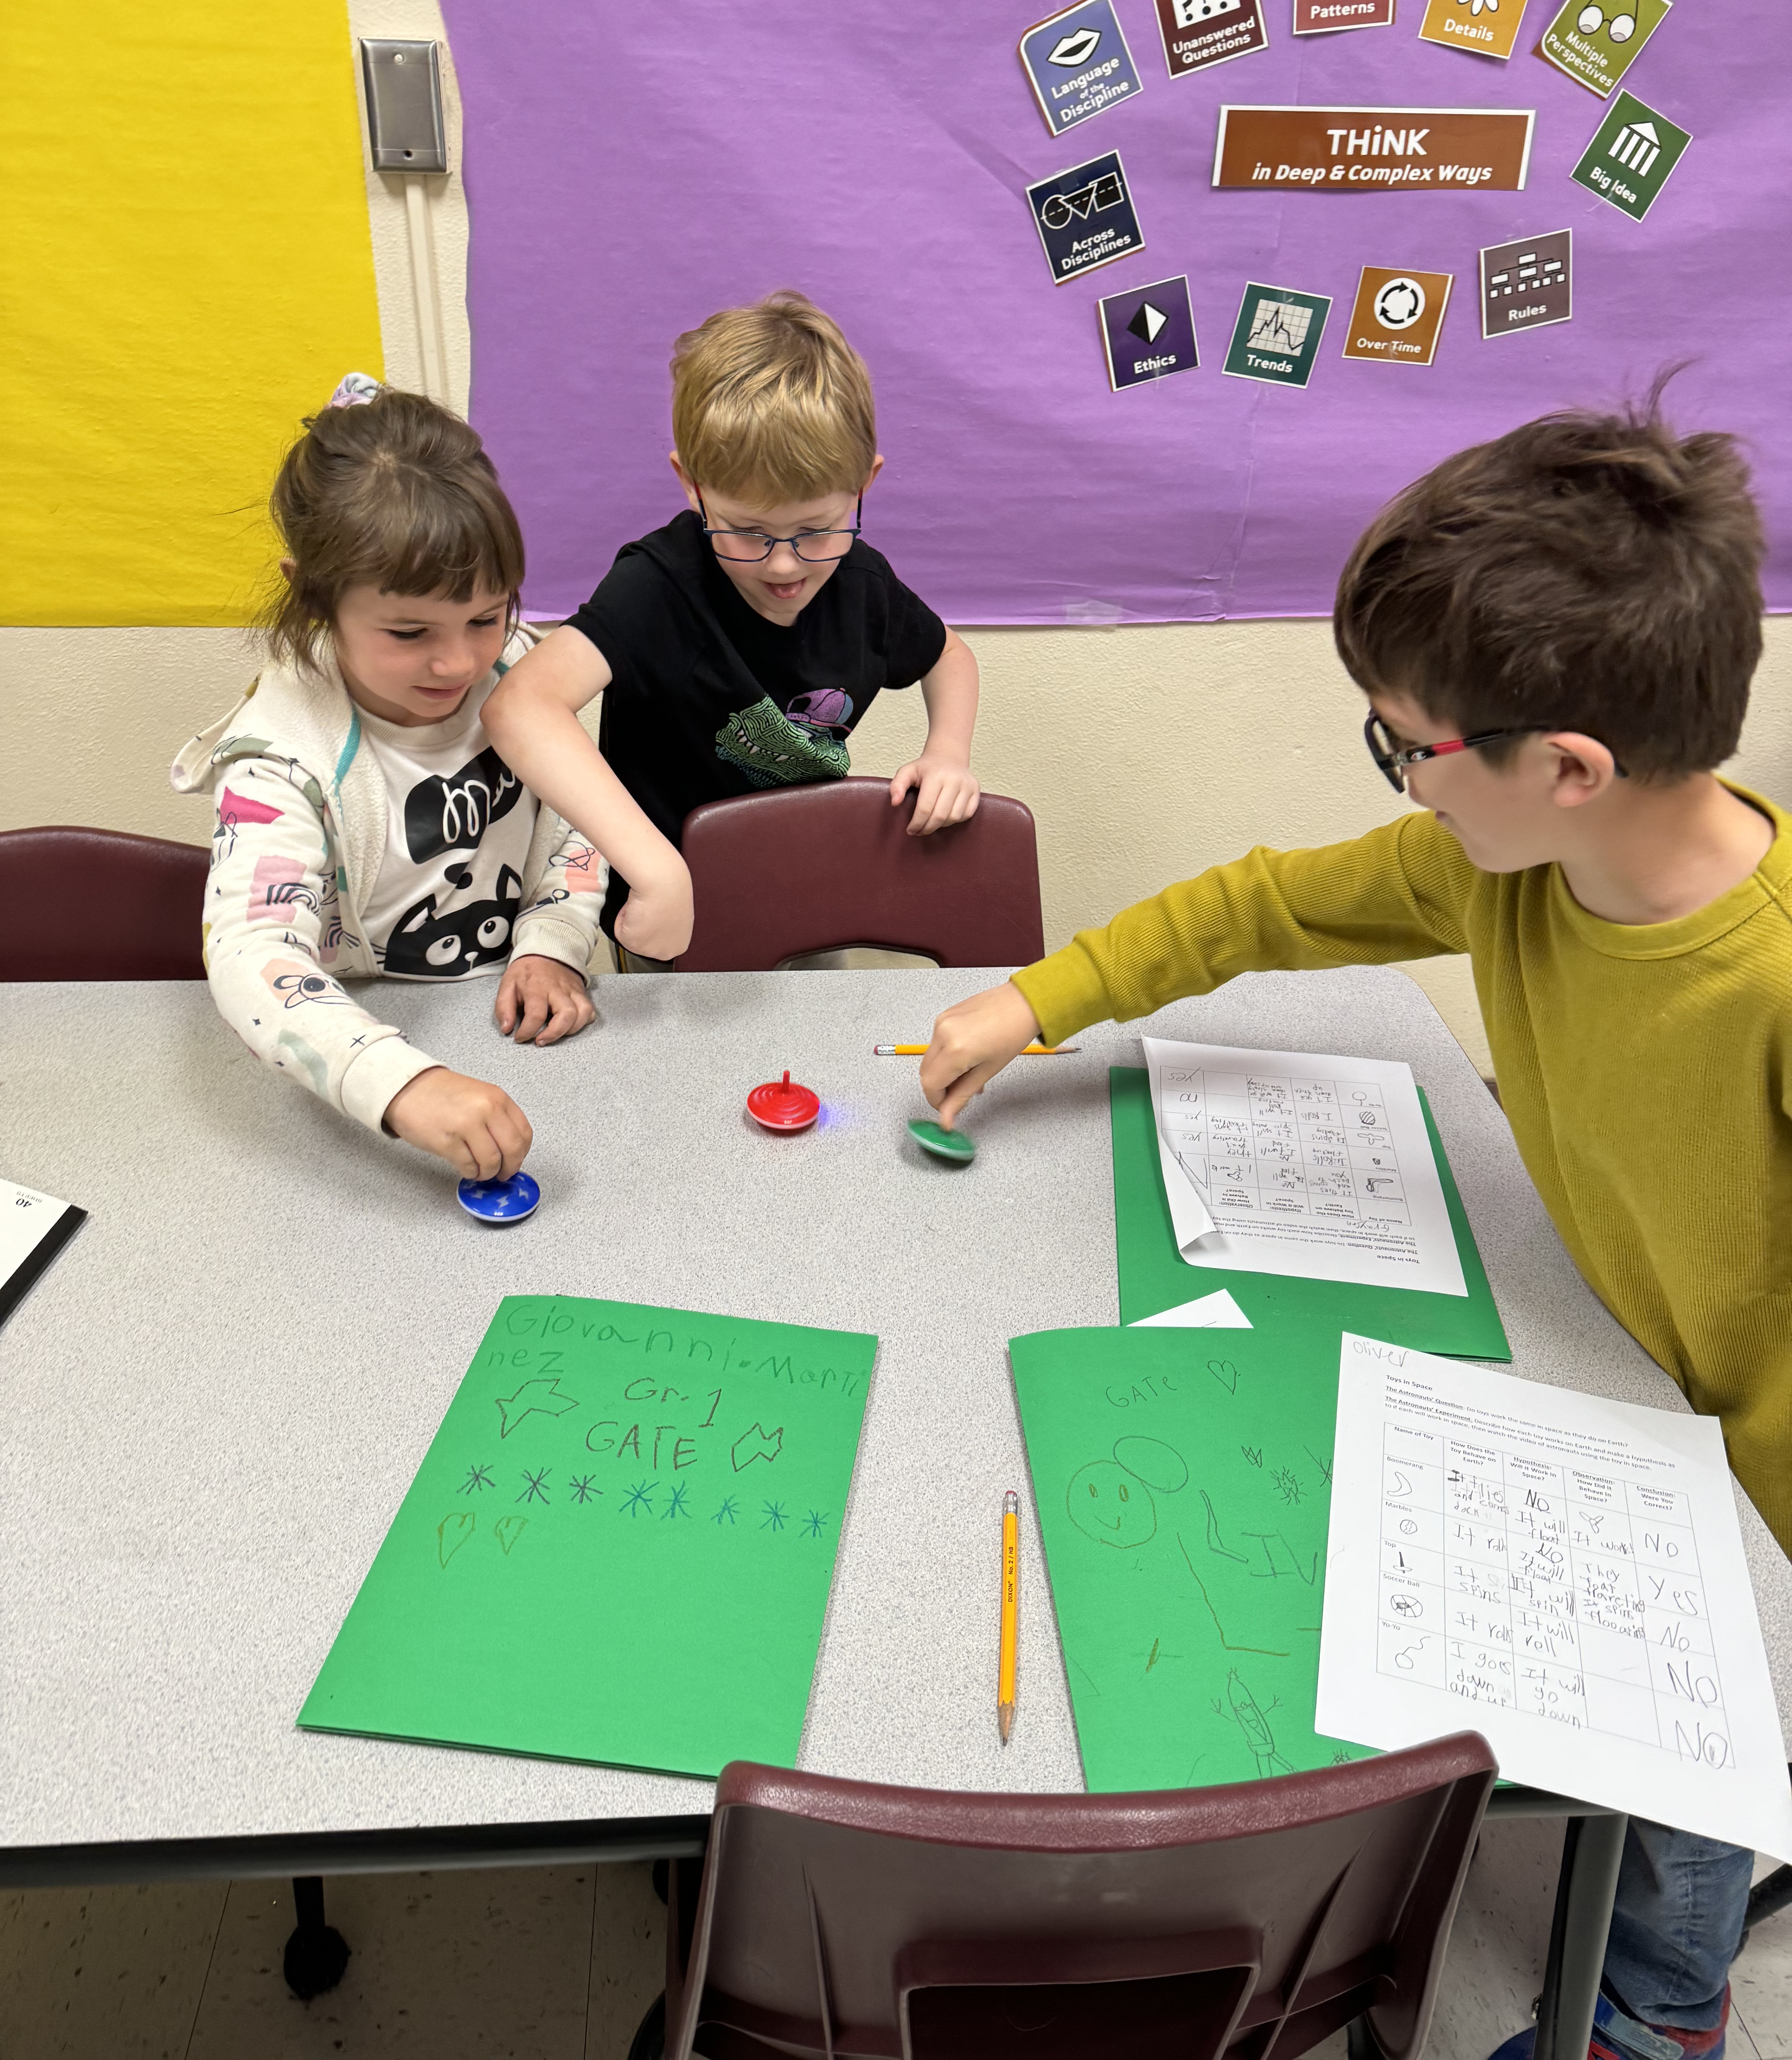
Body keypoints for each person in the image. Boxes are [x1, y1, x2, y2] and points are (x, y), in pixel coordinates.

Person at [922, 395, 1788, 2060]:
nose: (1398, 776)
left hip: (1747, 1491)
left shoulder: (1769, 973)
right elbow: (1263, 902)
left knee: (1672, 1793)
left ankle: (1658, 2022)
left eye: (1407, 742)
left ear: (1572, 767)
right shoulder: (1510, 869)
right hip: (1604, 1368)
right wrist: (1042, 1002)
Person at [172, 376, 664, 1180]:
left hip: (527, 1025)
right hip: (366, 1039)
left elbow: (580, 822)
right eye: (409, 632)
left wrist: (556, 944)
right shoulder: (277, 758)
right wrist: (401, 1083)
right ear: (315, 597)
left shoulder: (518, 671)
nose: (461, 662)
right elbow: (250, 951)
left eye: (487, 615)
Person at [481, 291, 980, 969]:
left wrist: (947, 751)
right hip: (673, 913)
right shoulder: (658, 586)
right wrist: (657, 871)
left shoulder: (865, 584)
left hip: (803, 890)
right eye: (747, 531)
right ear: (692, 485)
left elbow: (947, 655)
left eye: (815, 531)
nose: (784, 565)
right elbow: (520, 706)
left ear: (865, 485)